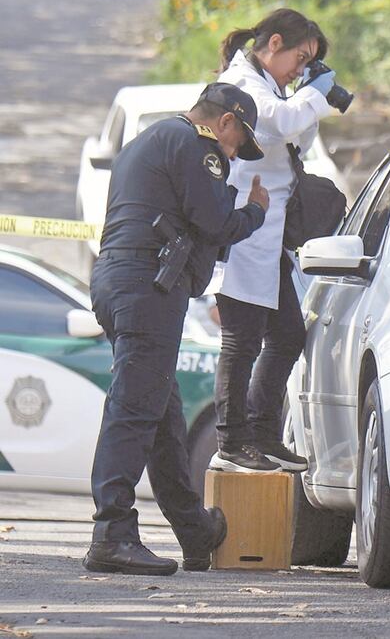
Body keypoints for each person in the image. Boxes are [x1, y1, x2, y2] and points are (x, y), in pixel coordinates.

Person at [83, 83, 269, 576]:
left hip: (118, 280)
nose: (232, 154)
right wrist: (254, 212)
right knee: (132, 410)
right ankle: (112, 535)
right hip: (149, 288)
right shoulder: (197, 144)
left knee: (161, 416)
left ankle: (194, 531)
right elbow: (213, 223)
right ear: (226, 122)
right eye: (236, 144)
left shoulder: (147, 140)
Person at [208, 8, 341, 474]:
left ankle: (262, 432)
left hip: (270, 237)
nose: (300, 70)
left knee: (287, 334)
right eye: (300, 58)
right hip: (244, 233)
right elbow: (281, 123)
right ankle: (231, 440)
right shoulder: (243, 83)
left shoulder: (272, 86)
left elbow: (294, 140)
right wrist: (313, 95)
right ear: (276, 42)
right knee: (240, 342)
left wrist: (309, 95)